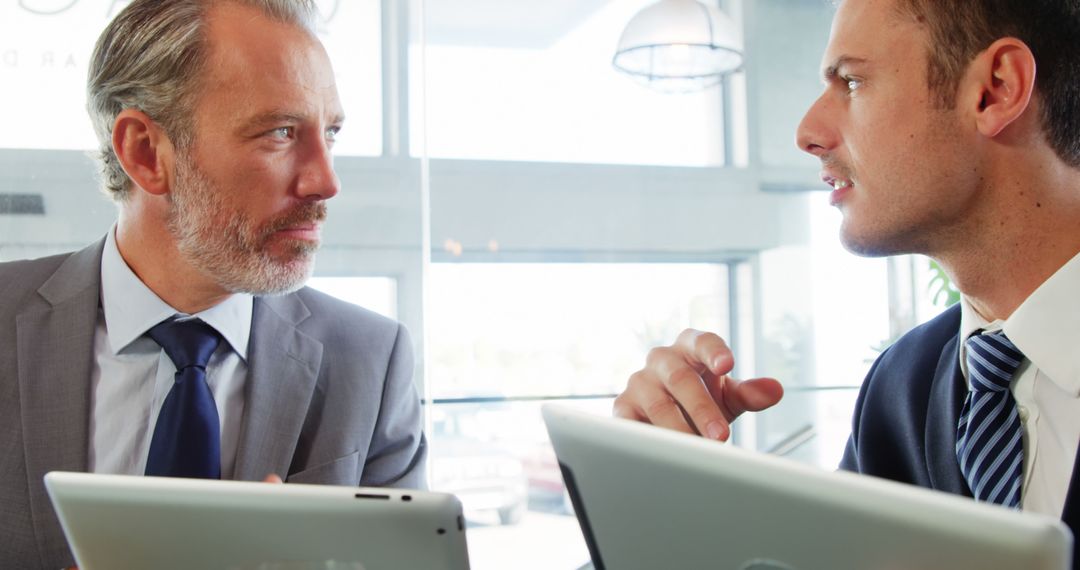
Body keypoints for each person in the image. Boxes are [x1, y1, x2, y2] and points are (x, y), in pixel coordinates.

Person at [615, 0, 1080, 557]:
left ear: (995, 89)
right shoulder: (900, 385)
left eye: (853, 82)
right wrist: (674, 496)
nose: (807, 133)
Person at [0, 1, 425, 568]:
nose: (325, 181)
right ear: (146, 152)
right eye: (280, 132)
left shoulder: (370, 364)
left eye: (330, 134)